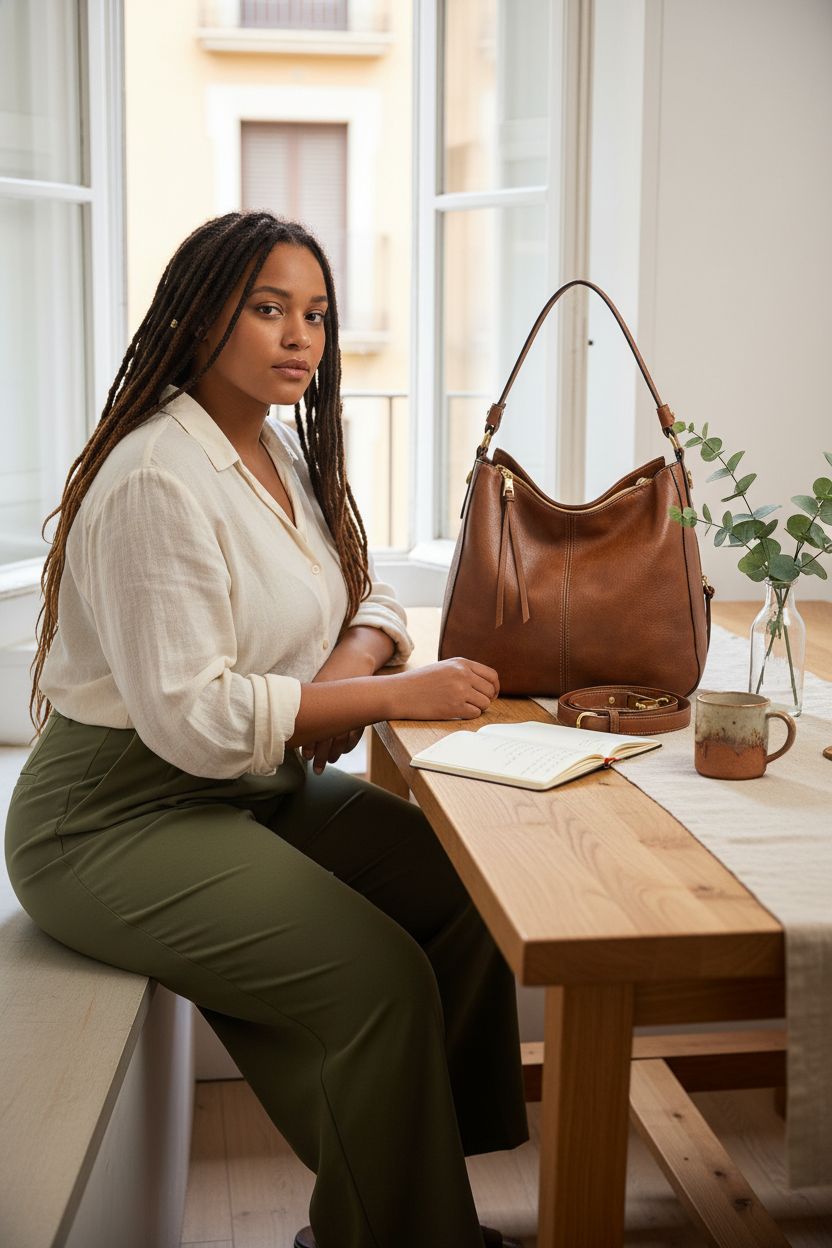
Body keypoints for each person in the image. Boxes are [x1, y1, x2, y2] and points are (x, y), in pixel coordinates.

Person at [4, 212, 529, 1248]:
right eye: (269, 309)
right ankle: (394, 1232)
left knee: (464, 890)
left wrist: (336, 682)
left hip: (248, 784)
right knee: (372, 978)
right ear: (201, 318)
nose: (301, 338)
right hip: (112, 817)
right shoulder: (159, 478)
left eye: (317, 315)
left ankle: (415, 1186)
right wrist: (378, 699)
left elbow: (368, 596)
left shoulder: (277, 452)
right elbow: (197, 719)